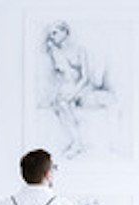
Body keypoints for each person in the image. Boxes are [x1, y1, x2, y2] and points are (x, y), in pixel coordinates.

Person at [45, 21, 115, 159]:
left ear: (65, 32)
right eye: (50, 34)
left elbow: (85, 78)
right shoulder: (56, 52)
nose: (52, 36)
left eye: (55, 32)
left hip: (81, 88)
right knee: (61, 104)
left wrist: (73, 93)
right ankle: (77, 142)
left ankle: (77, 144)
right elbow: (62, 75)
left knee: (64, 103)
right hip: (66, 89)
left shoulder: (79, 50)